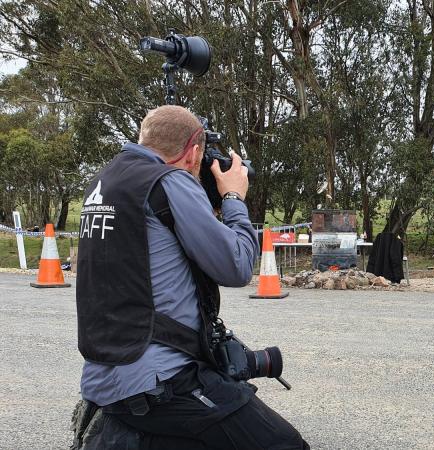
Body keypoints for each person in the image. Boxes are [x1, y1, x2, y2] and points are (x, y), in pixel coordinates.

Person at [75, 105, 309, 448]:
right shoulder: (170, 181)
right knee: (285, 443)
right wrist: (232, 197)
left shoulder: (104, 181)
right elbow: (237, 266)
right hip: (161, 379)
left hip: (103, 375)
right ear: (193, 152)